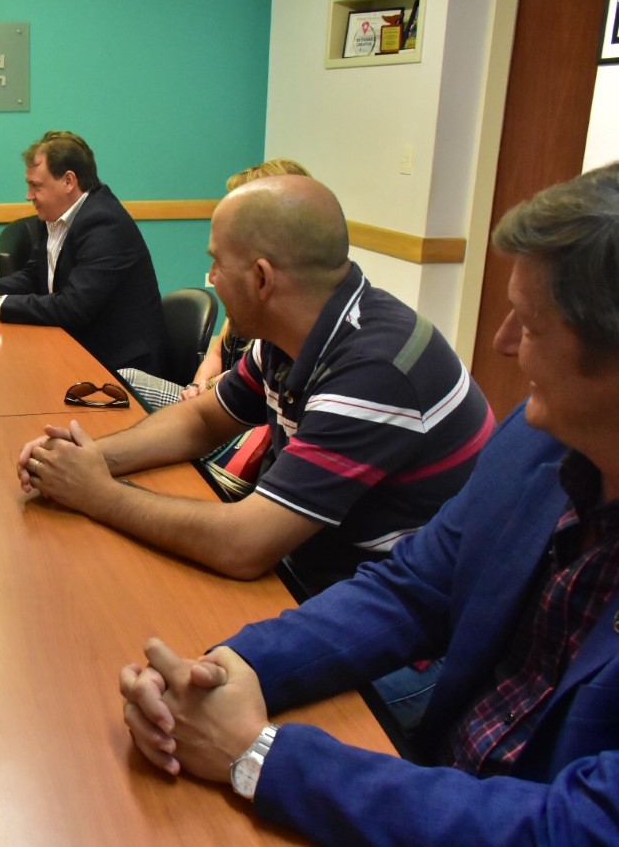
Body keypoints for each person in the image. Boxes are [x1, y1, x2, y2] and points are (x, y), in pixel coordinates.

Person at [118, 162, 619, 843]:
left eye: (530, 325)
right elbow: (414, 588)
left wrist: (261, 756)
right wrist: (225, 667)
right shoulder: (537, 445)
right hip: (436, 774)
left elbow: (577, 827)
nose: (500, 343)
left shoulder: (389, 365)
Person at [17, 173, 492, 595]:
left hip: (408, 631)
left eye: (217, 264)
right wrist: (87, 461)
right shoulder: (294, 331)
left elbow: (245, 546)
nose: (212, 278)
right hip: (327, 575)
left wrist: (99, 493)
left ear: (262, 278)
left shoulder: (376, 372)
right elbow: (203, 419)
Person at [0, 130, 169, 376]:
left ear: (69, 181)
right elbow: (34, 275)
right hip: (78, 349)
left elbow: (73, 307)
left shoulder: (104, 224)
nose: (29, 196)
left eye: (36, 186)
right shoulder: (55, 213)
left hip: (121, 366)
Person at [122, 159, 312, 409]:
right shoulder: (250, 293)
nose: (213, 275)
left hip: (239, 414)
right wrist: (195, 387)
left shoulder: (292, 309)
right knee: (127, 378)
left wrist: (205, 393)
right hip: (215, 399)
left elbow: (250, 384)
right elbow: (218, 353)